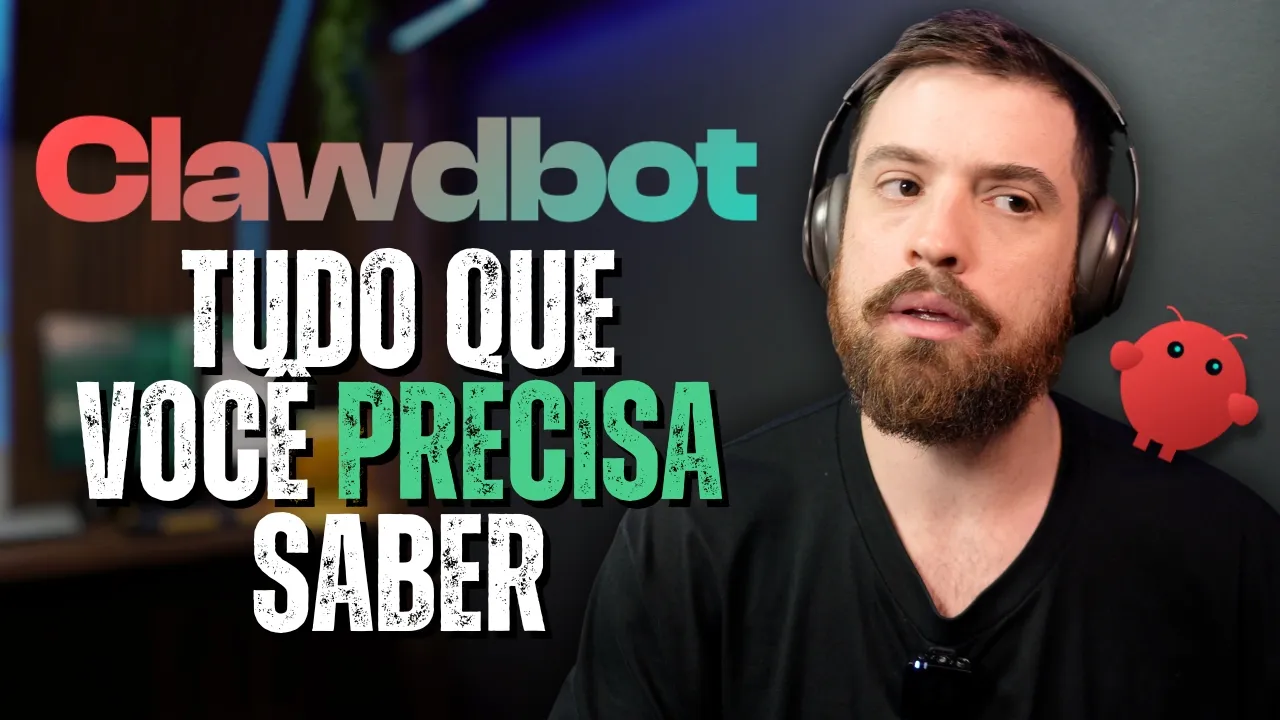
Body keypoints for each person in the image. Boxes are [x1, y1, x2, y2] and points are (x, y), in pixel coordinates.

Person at [548, 8, 1280, 719]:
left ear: (1092, 266)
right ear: (831, 227)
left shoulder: (1232, 556)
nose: (938, 241)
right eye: (902, 185)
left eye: (1012, 200)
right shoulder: (691, 538)